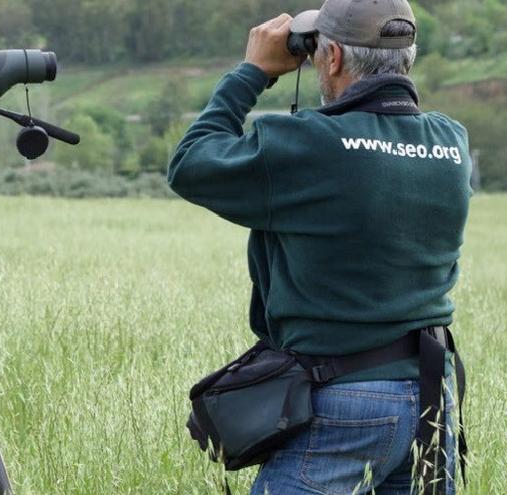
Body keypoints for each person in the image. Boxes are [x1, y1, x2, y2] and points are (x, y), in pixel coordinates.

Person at [168, 0, 471, 493]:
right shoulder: (450, 143)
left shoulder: (311, 143)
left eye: (316, 52)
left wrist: (251, 72)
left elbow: (191, 163)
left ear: (330, 59)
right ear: (406, 58)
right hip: (431, 398)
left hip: (342, 400)